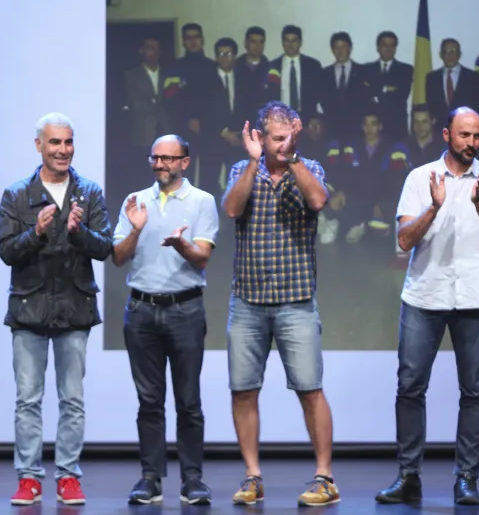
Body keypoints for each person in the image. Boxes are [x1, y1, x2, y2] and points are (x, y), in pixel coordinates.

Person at [376, 107, 479, 507]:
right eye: (463, 135)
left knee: (474, 392)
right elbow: (404, 240)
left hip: (476, 296)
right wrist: (434, 207)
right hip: (426, 296)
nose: (471, 143)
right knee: (410, 388)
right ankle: (408, 477)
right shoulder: (420, 178)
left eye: (477, 136)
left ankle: (466, 479)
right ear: (446, 135)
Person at [221, 100, 339, 507]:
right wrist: (254, 163)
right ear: (259, 136)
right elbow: (232, 209)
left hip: (296, 301)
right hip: (248, 300)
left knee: (310, 390)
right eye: (272, 139)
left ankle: (324, 476)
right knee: (243, 390)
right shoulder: (242, 170)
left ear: (296, 131)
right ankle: (253, 476)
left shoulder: (309, 168)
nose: (278, 145)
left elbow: (319, 201)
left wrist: (293, 160)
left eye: (285, 137)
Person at [0, 113, 112, 506]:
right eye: (55, 143)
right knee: (28, 398)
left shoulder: (90, 191)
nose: (63, 150)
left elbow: (105, 248)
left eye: (68, 142)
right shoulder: (17, 194)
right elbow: (6, 251)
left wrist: (79, 233)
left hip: (74, 307)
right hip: (29, 308)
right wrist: (37, 232)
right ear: (39, 146)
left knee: (72, 399)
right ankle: (28, 477)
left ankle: (68, 476)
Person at [112, 134, 217, 505]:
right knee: (149, 401)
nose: (160, 165)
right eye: (155, 158)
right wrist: (137, 228)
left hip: (185, 309)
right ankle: (150, 479)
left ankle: (193, 480)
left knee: (188, 401)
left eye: (168, 159)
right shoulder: (136, 201)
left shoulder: (203, 201)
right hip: (141, 310)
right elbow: (118, 257)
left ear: (184, 162)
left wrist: (181, 245)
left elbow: (201, 258)